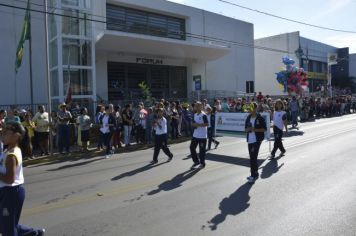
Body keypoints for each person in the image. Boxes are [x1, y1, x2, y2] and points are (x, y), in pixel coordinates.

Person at [0, 122, 45, 236]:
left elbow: (10, 179)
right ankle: (35, 233)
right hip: (6, 191)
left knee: (8, 229)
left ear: (16, 136)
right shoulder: (7, 150)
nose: (2, 135)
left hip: (11, 192)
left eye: (6, 133)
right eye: (3, 133)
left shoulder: (11, 155)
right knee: (6, 224)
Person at [245, 102, 267, 184]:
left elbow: (264, 129)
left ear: (255, 108)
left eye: (251, 108)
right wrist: (248, 129)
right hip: (250, 140)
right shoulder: (248, 117)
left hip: (257, 140)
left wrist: (254, 129)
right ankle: (255, 173)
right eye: (249, 109)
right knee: (252, 157)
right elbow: (245, 129)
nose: (250, 110)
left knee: (253, 157)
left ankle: (253, 175)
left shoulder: (259, 117)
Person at [190, 102, 209, 170]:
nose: (197, 107)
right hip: (195, 135)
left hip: (202, 136)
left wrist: (198, 125)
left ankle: (202, 163)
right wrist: (194, 125)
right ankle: (196, 161)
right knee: (192, 148)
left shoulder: (203, 115)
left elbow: (207, 124)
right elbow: (194, 123)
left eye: (199, 106)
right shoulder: (195, 114)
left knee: (202, 151)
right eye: (196, 106)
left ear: (201, 107)